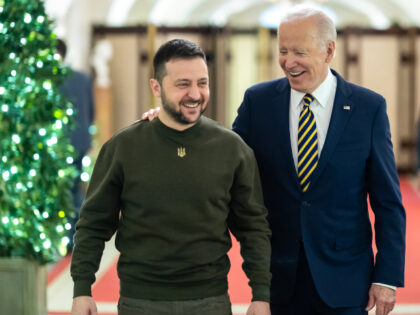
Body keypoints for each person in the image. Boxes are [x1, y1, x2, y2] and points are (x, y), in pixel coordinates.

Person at [70, 39, 271, 315]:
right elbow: (93, 224)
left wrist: (261, 294)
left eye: (202, 83)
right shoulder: (123, 148)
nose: (195, 93)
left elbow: (253, 227)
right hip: (140, 300)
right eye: (183, 84)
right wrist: (82, 289)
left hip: (210, 299)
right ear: (156, 87)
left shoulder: (232, 148)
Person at [232, 6, 406, 315]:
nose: (288, 61)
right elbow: (224, 161)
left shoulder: (368, 109)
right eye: (282, 50)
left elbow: (388, 201)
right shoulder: (257, 103)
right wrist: (169, 123)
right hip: (279, 281)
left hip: (347, 282)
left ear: (329, 50)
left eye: (300, 51)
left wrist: (387, 277)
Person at [57, 39, 95, 252]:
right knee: (75, 191)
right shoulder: (82, 78)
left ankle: (64, 237)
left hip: (59, 144)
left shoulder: (52, 79)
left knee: (62, 191)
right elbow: (91, 111)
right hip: (80, 141)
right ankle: (75, 237)